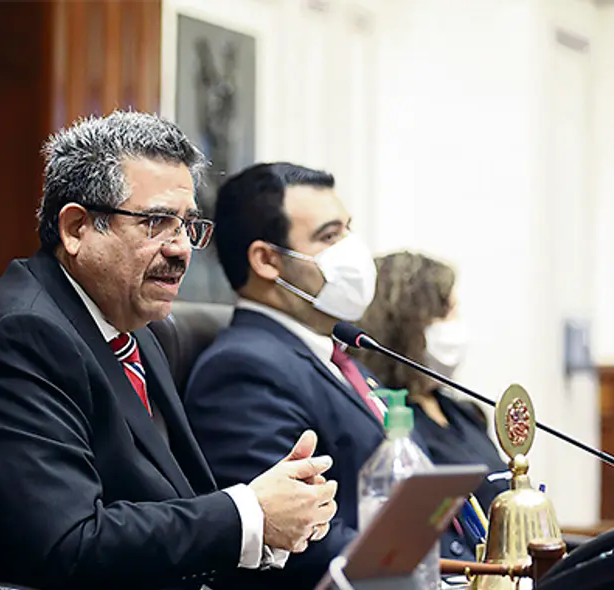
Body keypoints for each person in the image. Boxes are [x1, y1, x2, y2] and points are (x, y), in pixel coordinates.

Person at [0, 111, 338, 590]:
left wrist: (272, 519)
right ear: (76, 229)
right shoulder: (21, 336)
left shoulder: (134, 329)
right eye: (156, 223)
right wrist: (248, 516)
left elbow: (173, 504)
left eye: (187, 225)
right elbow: (70, 545)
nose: (181, 249)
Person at [184, 162, 473, 587]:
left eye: (348, 231)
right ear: (267, 260)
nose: (352, 249)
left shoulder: (340, 356)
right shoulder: (242, 370)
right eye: (329, 235)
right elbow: (296, 538)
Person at [356, 251, 508, 510]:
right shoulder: (384, 421)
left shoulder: (464, 412)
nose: (456, 326)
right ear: (404, 325)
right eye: (445, 313)